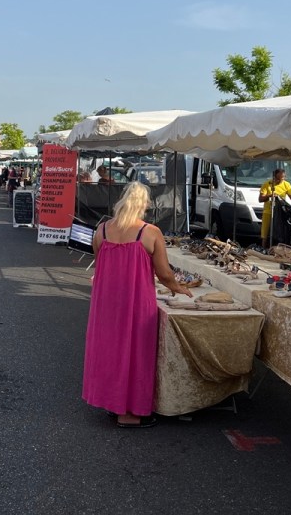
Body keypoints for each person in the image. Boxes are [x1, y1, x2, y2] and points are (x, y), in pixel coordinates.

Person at [82, 182, 193, 428]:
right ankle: (130, 414)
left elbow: (100, 264)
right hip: (136, 302)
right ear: (144, 205)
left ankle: (113, 402)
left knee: (111, 351)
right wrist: (178, 288)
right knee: (135, 353)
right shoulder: (150, 232)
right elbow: (164, 274)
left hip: (106, 302)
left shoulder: (101, 230)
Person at [258, 167, 291, 247]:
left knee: (280, 231)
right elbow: (260, 199)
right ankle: (263, 248)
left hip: (280, 212)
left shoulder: (286, 185)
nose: (280, 181)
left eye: (282, 179)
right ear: (274, 177)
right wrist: (270, 195)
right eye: (278, 179)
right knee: (265, 233)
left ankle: (279, 248)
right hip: (268, 211)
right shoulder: (267, 184)